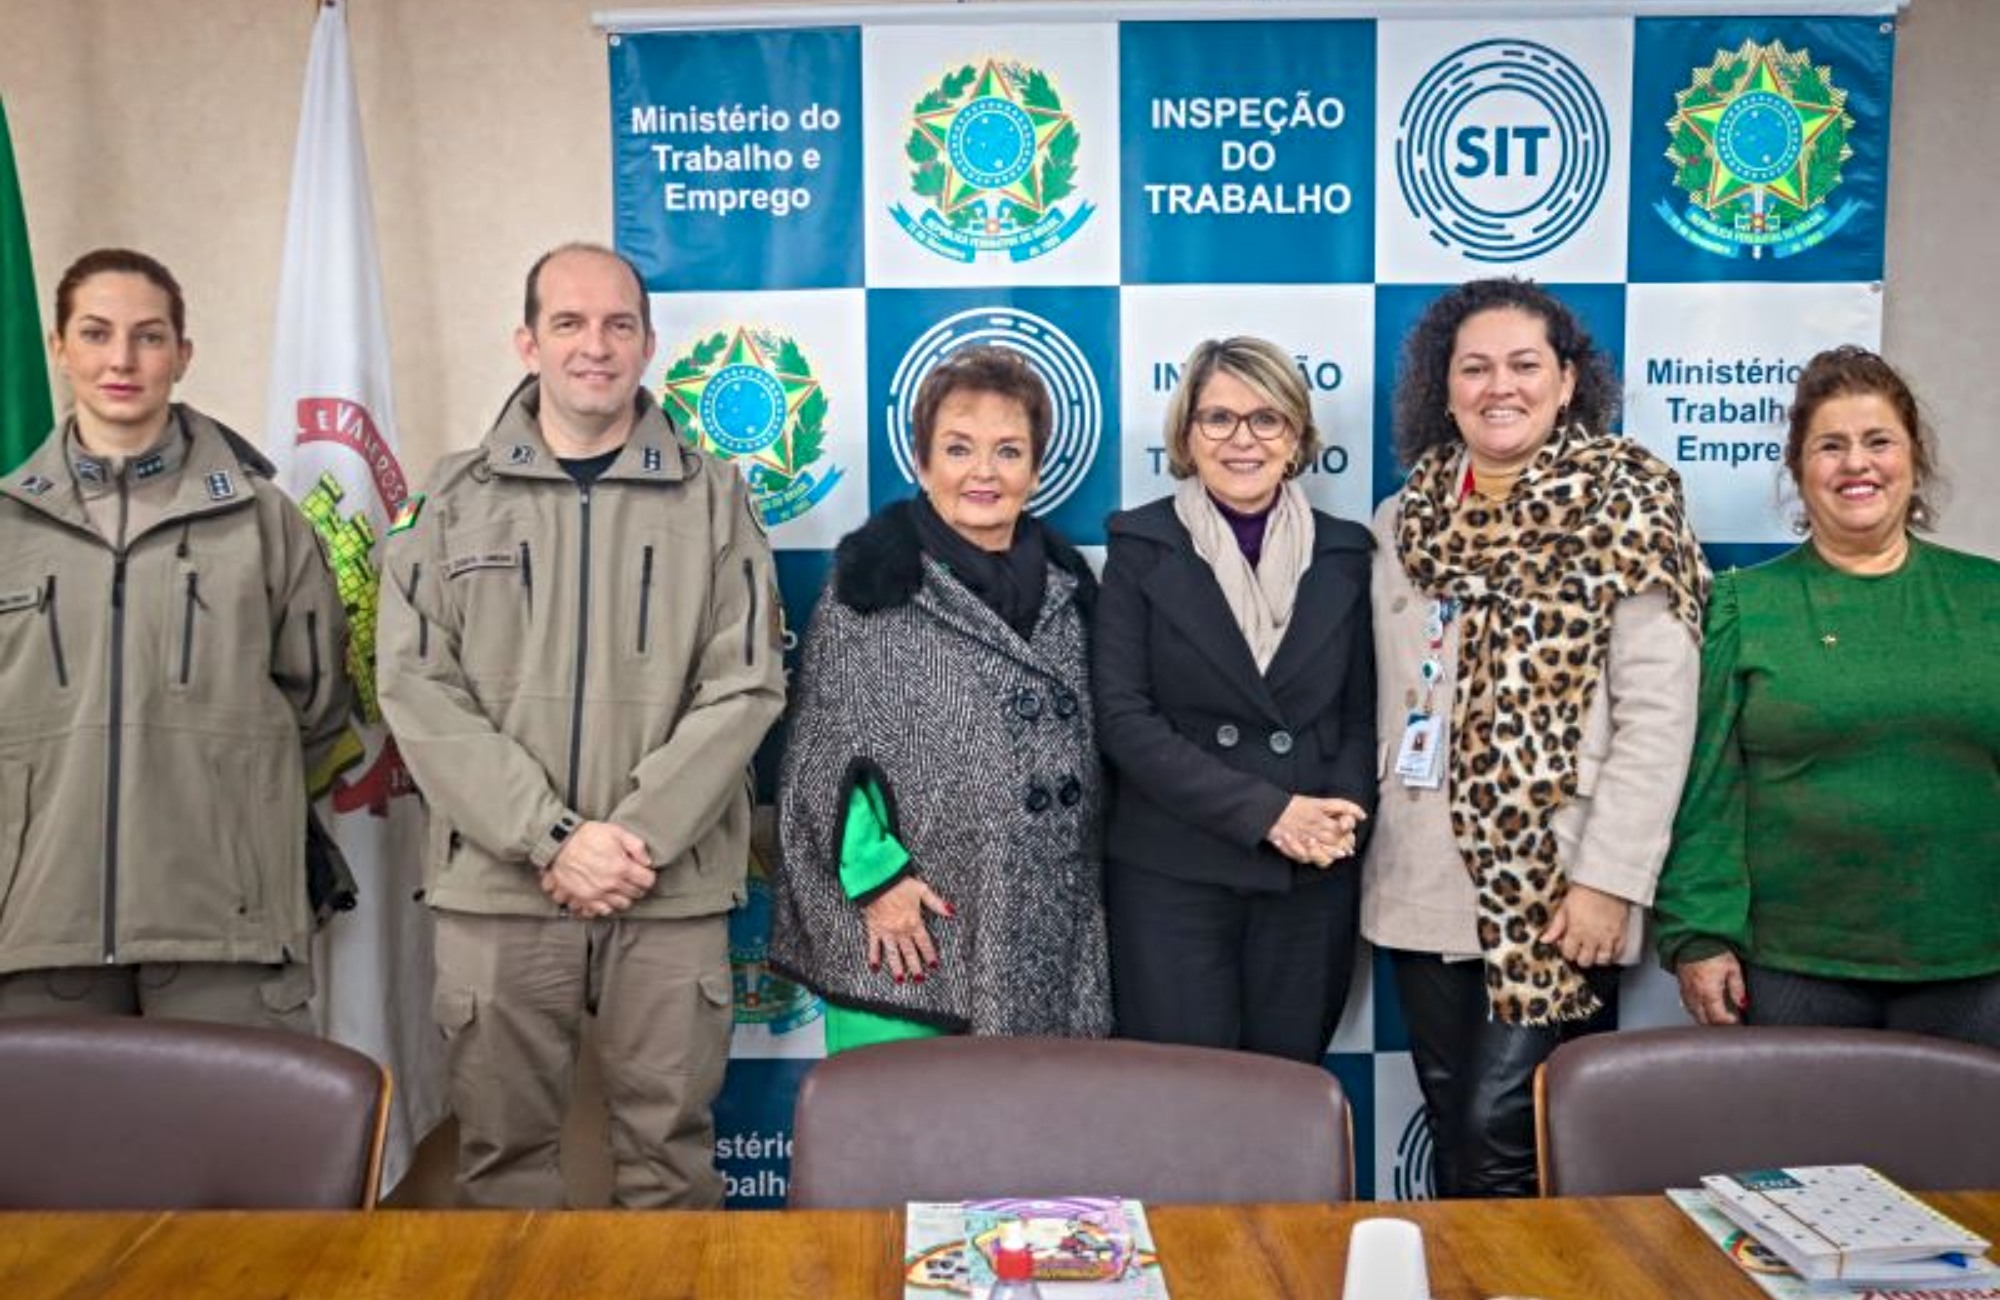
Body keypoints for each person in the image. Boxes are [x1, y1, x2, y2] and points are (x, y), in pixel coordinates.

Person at [376, 242, 785, 1208]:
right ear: (527, 343)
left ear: (647, 344)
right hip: (500, 888)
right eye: (568, 323)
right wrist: (552, 837)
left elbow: (746, 685)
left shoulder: (715, 498)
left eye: (616, 325)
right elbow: (415, 686)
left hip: (667, 886)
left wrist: (630, 839)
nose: (593, 346)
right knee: (502, 1168)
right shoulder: (452, 500)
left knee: (670, 1166)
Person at [1363, 279, 1707, 1198]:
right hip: (1424, 873)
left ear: (1567, 382)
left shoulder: (1627, 503)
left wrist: (1609, 881)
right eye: (1474, 368)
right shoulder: (1404, 520)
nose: (1499, 387)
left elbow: (1659, 714)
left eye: (1524, 365)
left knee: (1507, 1129)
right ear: (1443, 389)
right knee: (1453, 1120)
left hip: (1559, 883)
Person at [0, 248, 355, 1026]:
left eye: (149, 336)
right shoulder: (6, 525)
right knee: (45, 1116)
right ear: (58, 347)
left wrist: (224, 804)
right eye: (96, 333)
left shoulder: (262, 520)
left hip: (225, 925)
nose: (121, 360)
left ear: (183, 354)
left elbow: (319, 705)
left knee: (235, 1114)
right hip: (34, 925)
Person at [1656, 346, 2000, 1048]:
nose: (1856, 463)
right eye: (1830, 446)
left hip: (1975, 963)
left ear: (1915, 458)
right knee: (1803, 1129)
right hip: (1792, 968)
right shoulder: (1744, 607)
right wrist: (1699, 936)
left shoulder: (1987, 598)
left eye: (1879, 441)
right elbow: (1707, 791)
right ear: (1797, 468)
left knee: (1960, 1128)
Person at [768, 346, 1109, 1050]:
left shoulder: (1074, 595)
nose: (984, 471)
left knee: (1037, 1117)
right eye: (958, 448)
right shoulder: (871, 590)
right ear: (922, 464)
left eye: (1008, 451)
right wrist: (877, 883)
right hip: (913, 937)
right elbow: (819, 763)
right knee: (904, 1120)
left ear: (1035, 471)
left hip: (1050, 933)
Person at [1094, 336, 1374, 1065]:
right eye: (1218, 418)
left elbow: (1359, 716)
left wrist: (1336, 819)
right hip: (1174, 875)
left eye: (1266, 418)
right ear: (1187, 434)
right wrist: (1267, 813)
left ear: (1297, 436)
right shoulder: (1140, 545)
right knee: (1186, 1100)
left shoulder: (1348, 553)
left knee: (1287, 1093)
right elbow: (1124, 720)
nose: (1242, 439)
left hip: (1308, 877)